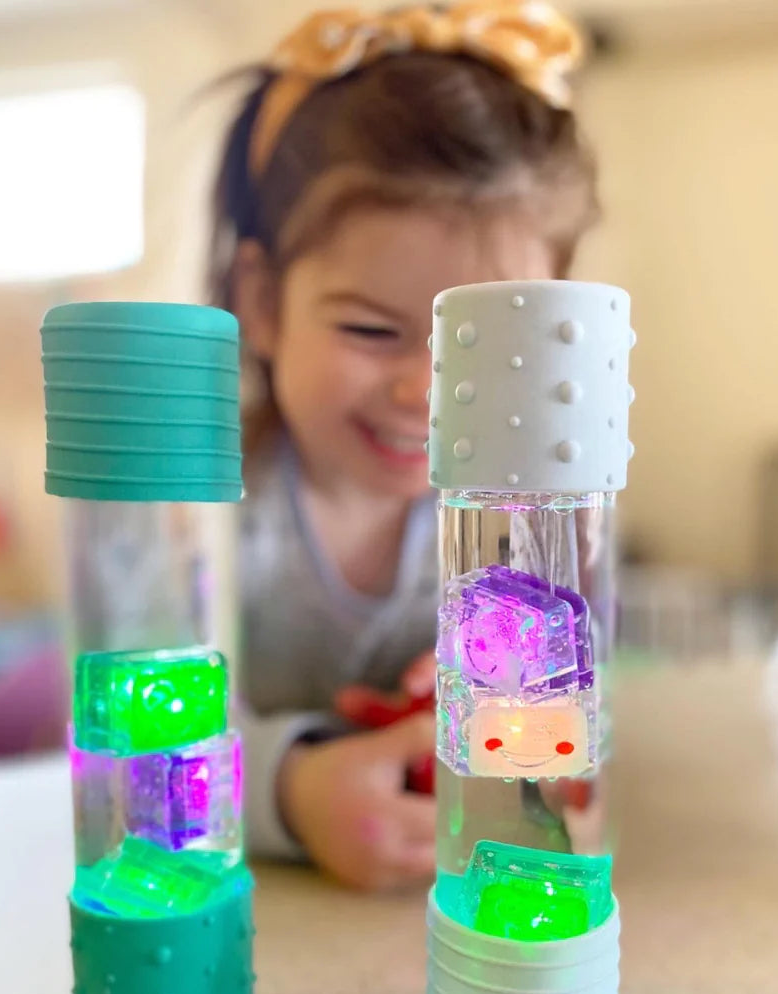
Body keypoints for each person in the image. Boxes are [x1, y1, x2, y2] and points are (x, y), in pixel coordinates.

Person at [210, 0, 601, 889]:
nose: (426, 391)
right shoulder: (208, 520)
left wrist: (535, 734)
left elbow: (564, 747)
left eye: (485, 346)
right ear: (263, 304)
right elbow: (140, 762)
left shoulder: (524, 529)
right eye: (369, 330)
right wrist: (289, 792)